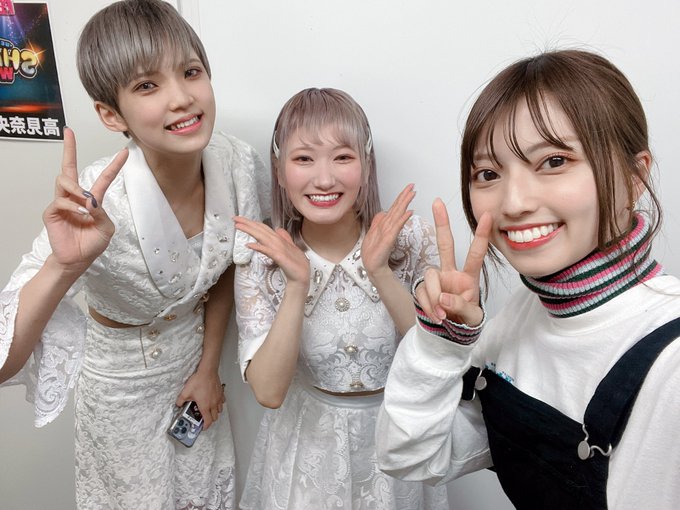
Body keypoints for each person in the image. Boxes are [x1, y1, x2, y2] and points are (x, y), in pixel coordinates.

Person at [375, 49, 680, 509]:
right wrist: (441, 341)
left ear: (634, 176)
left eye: (554, 161)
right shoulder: (522, 314)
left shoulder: (671, 364)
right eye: (488, 173)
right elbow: (410, 457)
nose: (514, 203)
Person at [0, 1, 269, 508]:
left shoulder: (236, 162)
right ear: (110, 113)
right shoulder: (94, 199)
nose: (182, 98)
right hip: (118, 394)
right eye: (148, 85)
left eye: (191, 72)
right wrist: (64, 265)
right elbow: (4, 364)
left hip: (195, 380)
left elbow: (229, 267)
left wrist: (209, 368)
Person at [233, 87, 448, 509]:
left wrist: (380, 271)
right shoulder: (260, 258)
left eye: (342, 157)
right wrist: (297, 284)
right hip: (306, 454)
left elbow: (437, 360)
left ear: (366, 166)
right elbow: (269, 392)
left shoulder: (412, 237)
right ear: (279, 171)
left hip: (398, 443)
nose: (324, 179)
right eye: (303, 159)